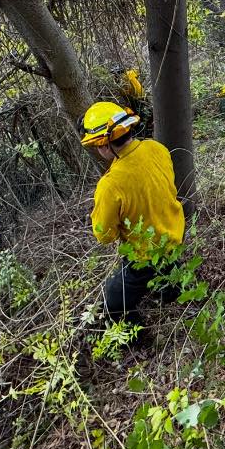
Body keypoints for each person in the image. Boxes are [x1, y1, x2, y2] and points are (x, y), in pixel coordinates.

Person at [81, 101, 185, 323]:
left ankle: (134, 335)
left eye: (96, 145)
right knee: (171, 271)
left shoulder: (110, 185)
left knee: (113, 300)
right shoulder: (157, 148)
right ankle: (172, 289)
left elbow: (104, 235)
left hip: (145, 256)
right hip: (175, 239)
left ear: (104, 144)